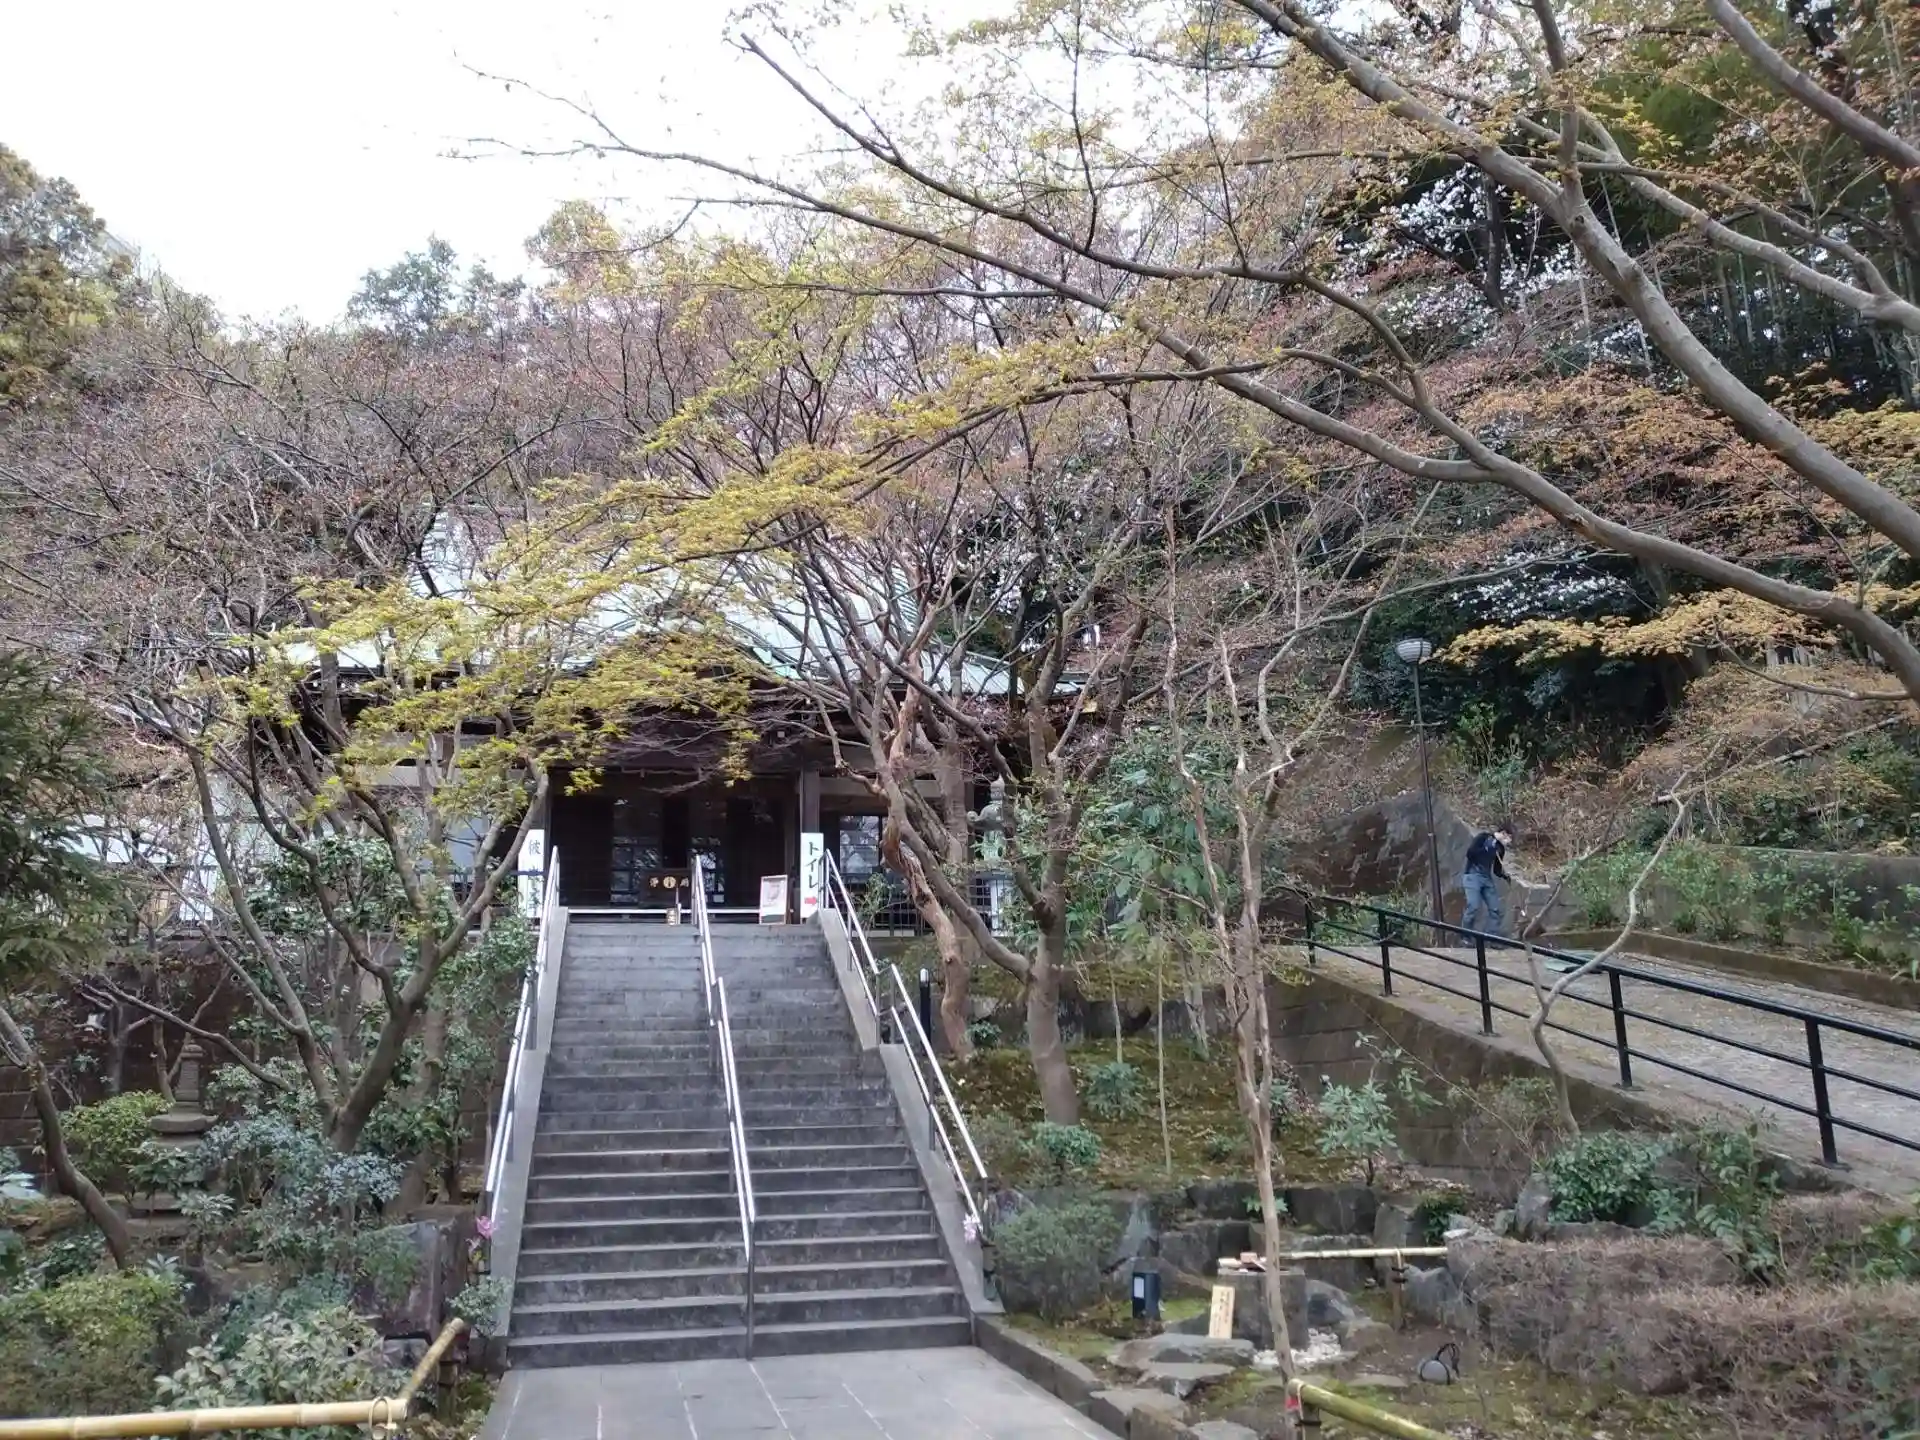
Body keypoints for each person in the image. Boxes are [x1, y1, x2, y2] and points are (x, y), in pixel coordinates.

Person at [1461, 825, 1513, 937]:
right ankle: (1465, 936)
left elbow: (1496, 870)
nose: (1509, 842)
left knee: (1496, 909)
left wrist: (1505, 876)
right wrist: (1486, 850)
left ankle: (1490, 936)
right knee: (1473, 906)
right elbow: (1470, 854)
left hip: (1486, 878)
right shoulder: (1483, 837)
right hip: (1472, 876)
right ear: (1503, 833)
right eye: (1509, 838)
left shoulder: (1500, 848)